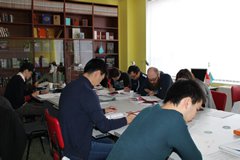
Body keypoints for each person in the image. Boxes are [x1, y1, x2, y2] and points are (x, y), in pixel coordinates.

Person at [107, 79, 205, 160]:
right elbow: (195, 158)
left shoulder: (148, 110)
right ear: (187, 102)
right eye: (196, 109)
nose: (195, 115)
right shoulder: (175, 121)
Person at [59, 58, 135, 160]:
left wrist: (102, 111)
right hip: (80, 149)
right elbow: (103, 126)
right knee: (121, 149)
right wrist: (127, 120)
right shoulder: (88, 92)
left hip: (69, 141)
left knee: (110, 141)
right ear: (97, 73)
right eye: (102, 78)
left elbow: (79, 110)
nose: (100, 81)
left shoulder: (71, 85)